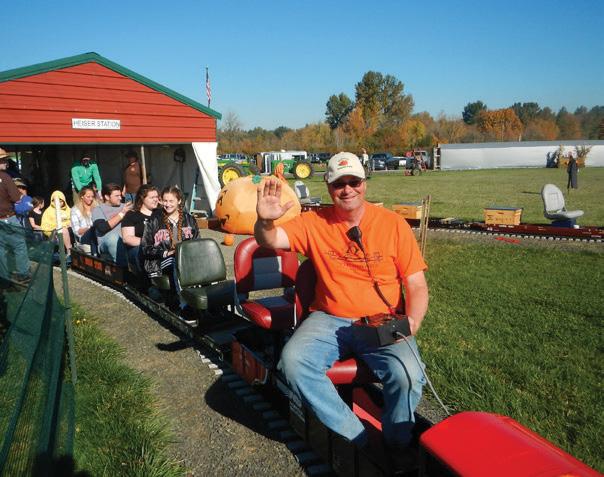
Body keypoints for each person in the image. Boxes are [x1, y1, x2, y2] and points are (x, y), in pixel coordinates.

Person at [254, 152, 429, 470]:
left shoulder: (393, 225)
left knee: (409, 374)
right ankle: (357, 438)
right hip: (329, 318)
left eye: (354, 181)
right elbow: (270, 239)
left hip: (380, 320)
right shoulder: (314, 222)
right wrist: (265, 221)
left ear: (364, 183)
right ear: (328, 186)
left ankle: (397, 443)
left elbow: (416, 284)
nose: (347, 189)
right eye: (339, 183)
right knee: (293, 362)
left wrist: (412, 321)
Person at [141, 186, 199, 312]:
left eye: (171, 201)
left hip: (188, 259)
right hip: (161, 261)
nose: (167, 204)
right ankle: (184, 304)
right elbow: (145, 248)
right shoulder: (154, 220)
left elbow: (198, 243)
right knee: (177, 262)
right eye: (165, 201)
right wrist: (166, 252)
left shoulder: (189, 219)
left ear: (179, 201)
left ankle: (206, 298)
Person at [0, 148, 31, 286]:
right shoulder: (5, 177)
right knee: (19, 245)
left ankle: (3, 278)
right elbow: (17, 198)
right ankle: (23, 275)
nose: (6, 162)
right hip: (8, 217)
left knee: (1, 249)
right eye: (3, 160)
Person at [121, 184, 160, 273]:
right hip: (138, 249)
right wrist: (149, 242)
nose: (156, 200)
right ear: (142, 198)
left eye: (157, 197)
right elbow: (127, 238)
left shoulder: (160, 213)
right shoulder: (132, 215)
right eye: (152, 197)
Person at [92, 183, 132, 266]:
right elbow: (102, 228)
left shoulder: (125, 206)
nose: (120, 198)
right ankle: (123, 270)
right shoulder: (98, 209)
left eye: (120, 195)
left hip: (126, 239)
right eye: (117, 196)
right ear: (107, 197)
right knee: (114, 238)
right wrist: (122, 214)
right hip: (107, 243)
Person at [41, 190, 73, 258]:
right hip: (55, 232)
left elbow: (73, 219)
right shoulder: (48, 211)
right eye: (55, 201)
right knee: (63, 230)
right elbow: (45, 226)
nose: (58, 203)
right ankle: (69, 251)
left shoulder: (68, 209)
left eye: (60, 201)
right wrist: (61, 226)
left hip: (70, 229)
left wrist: (69, 223)